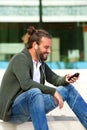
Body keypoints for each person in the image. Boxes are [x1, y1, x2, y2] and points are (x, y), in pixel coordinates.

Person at [0, 26, 87, 130]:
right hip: (14, 113)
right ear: (35, 45)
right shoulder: (20, 59)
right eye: (46, 47)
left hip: (34, 108)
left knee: (67, 89)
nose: (49, 51)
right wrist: (53, 92)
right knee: (34, 92)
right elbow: (26, 84)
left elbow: (54, 78)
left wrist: (65, 79)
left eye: (50, 47)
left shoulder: (40, 63)